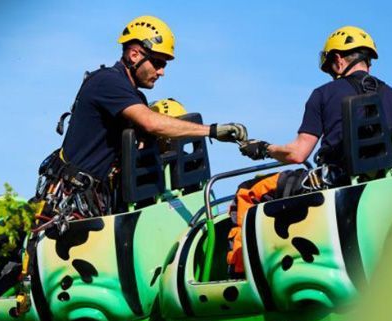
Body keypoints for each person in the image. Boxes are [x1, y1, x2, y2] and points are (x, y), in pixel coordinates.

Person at [33, 16, 247, 234]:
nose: (162, 71)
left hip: (98, 201)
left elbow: (143, 146)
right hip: (69, 203)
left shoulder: (135, 98)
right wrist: (212, 131)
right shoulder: (107, 82)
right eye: (158, 62)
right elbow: (151, 123)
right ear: (134, 55)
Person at [227, 26, 392, 274]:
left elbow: (298, 154)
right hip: (389, 183)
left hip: (336, 182)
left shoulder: (324, 94)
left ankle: (240, 273)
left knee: (246, 192)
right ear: (367, 62)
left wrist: (264, 148)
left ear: (339, 60)